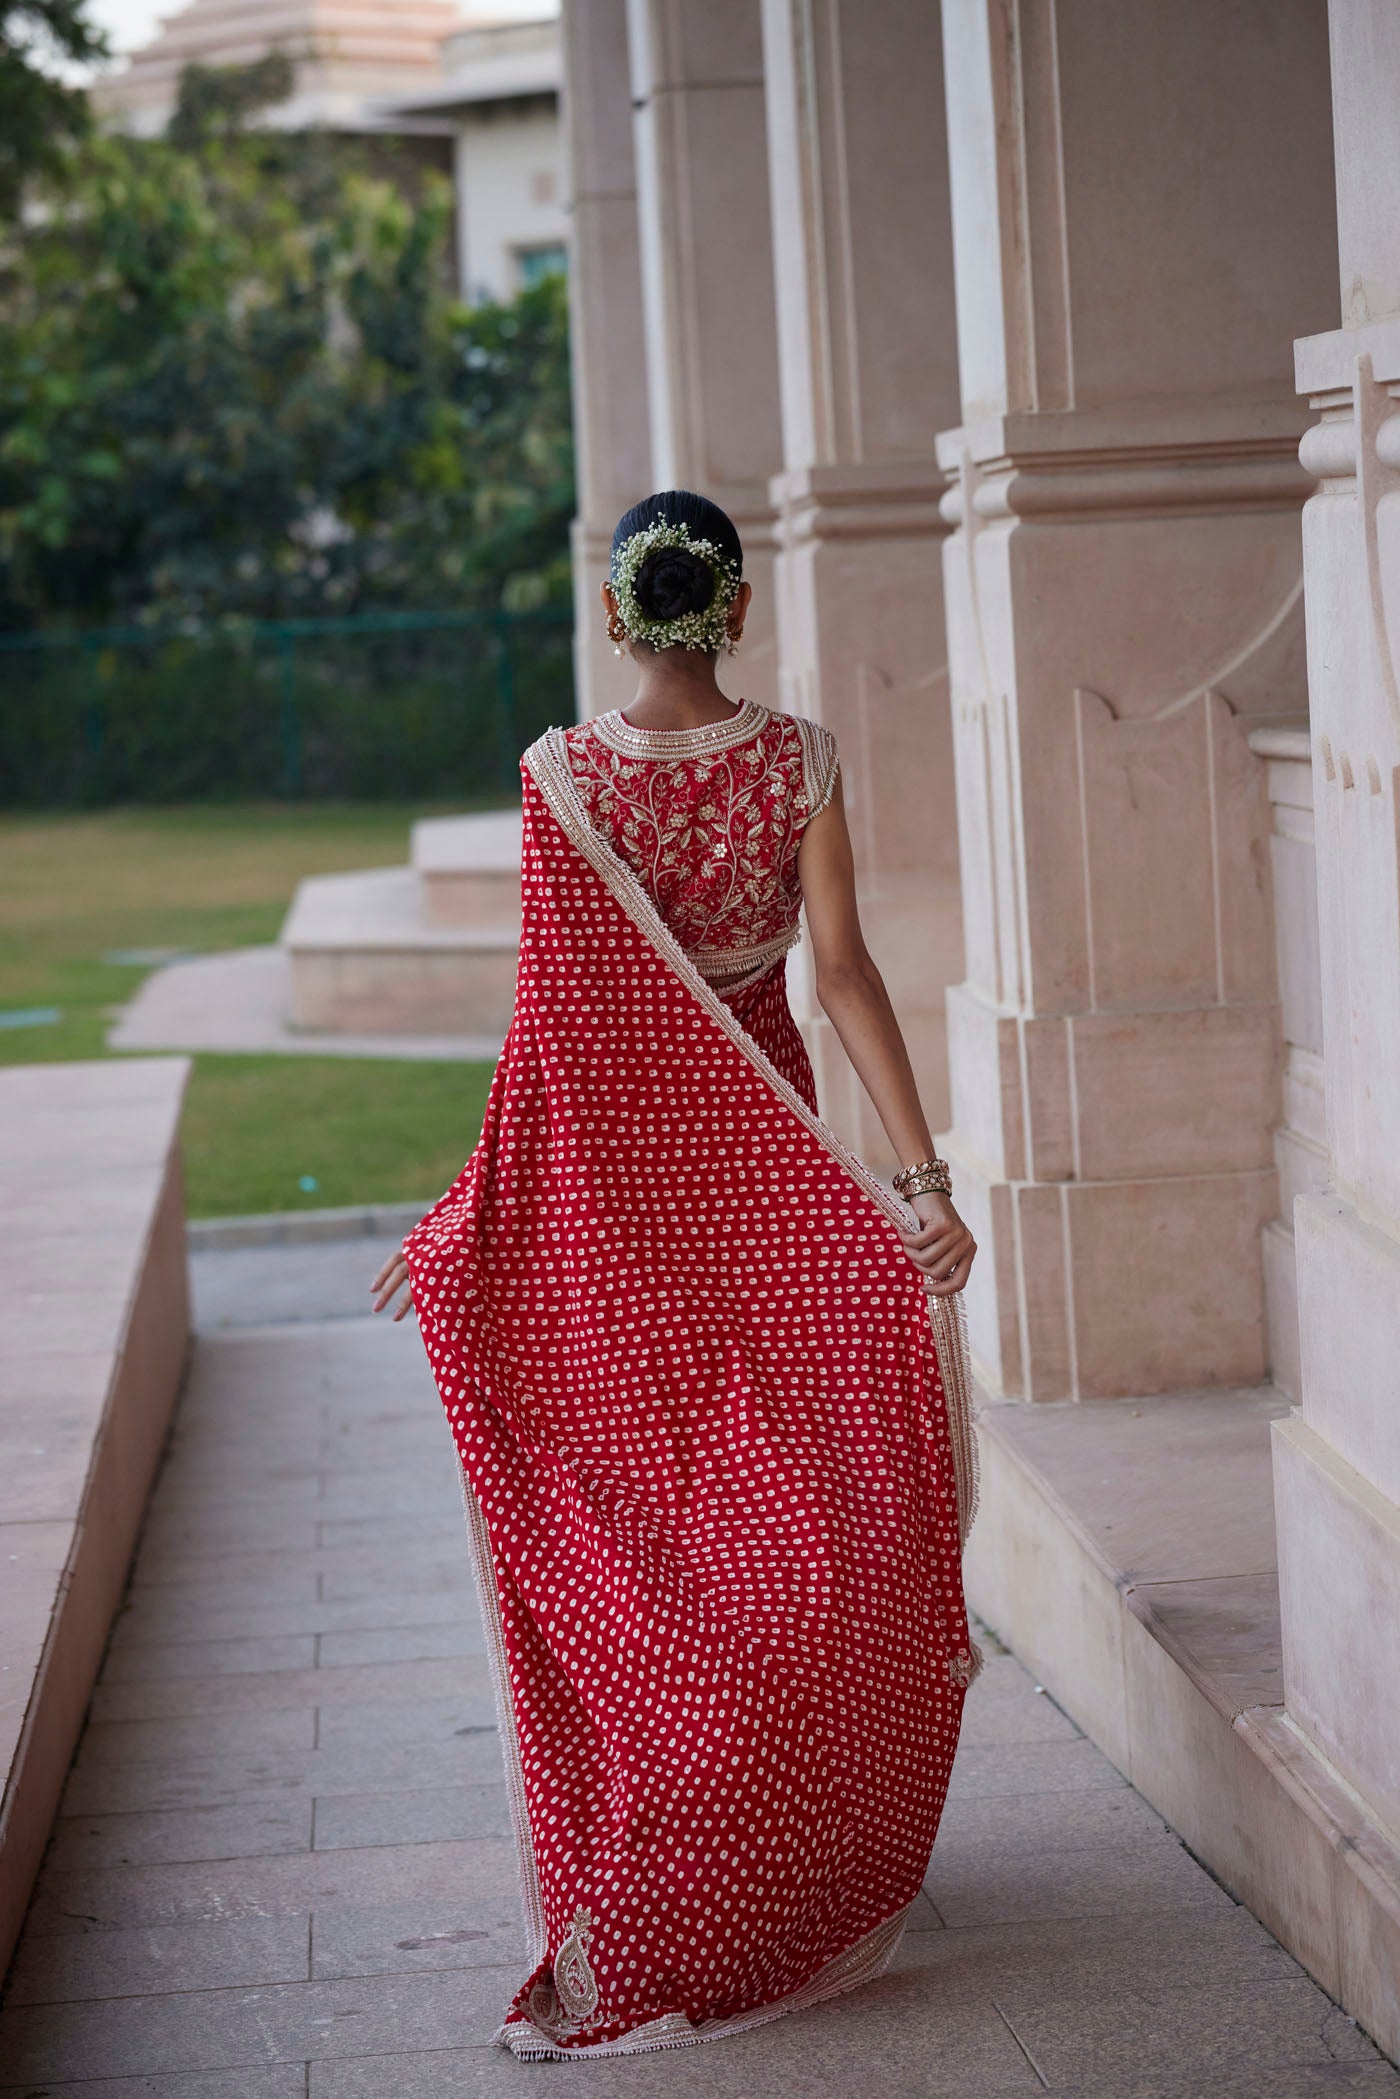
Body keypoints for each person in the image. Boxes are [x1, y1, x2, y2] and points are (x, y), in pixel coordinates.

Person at [371, 489, 981, 2060]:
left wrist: (471, 1215)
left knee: (661, 1535)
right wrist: (920, 1185)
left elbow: (554, 1031)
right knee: (811, 1518)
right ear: (740, 609)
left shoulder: (561, 780)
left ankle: (682, 1865)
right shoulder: (800, 762)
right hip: (774, 1178)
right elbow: (842, 976)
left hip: (630, 1210)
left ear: (615, 613)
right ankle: (784, 1852)